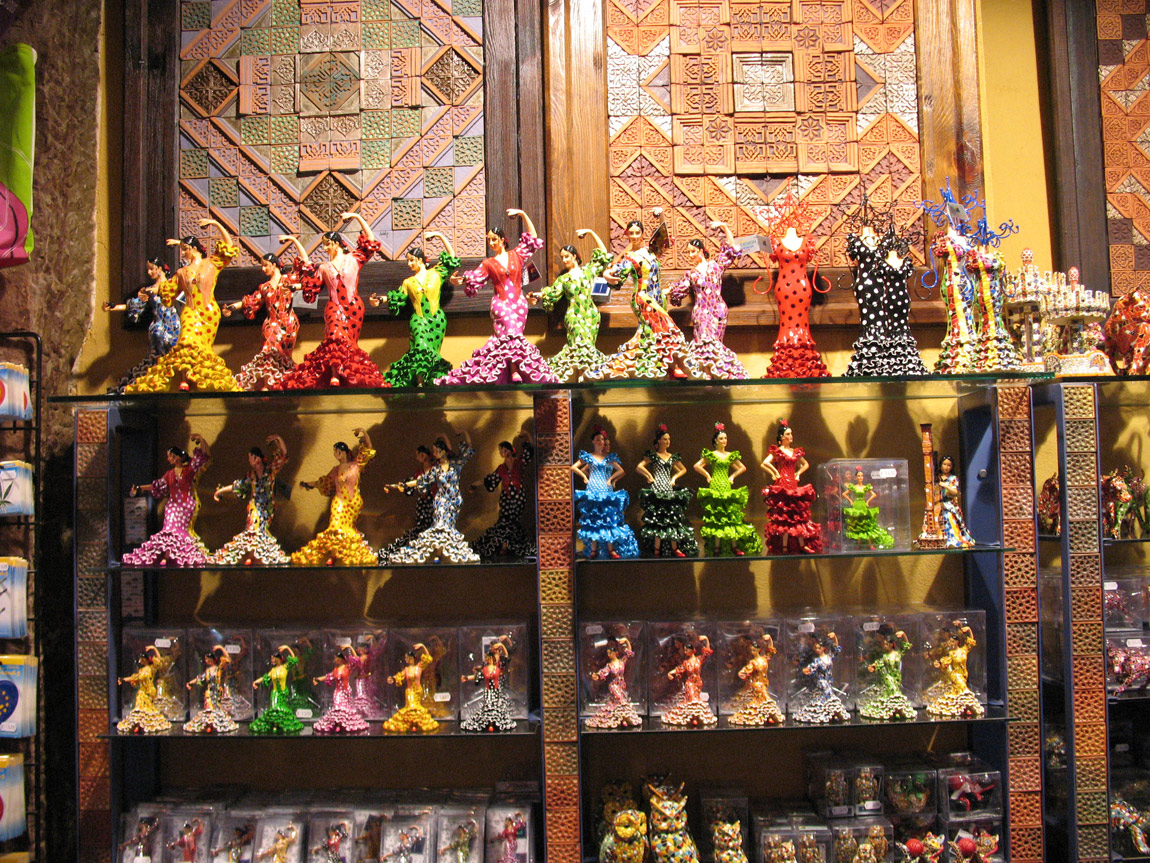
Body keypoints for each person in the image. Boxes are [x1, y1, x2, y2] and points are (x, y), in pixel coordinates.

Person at [437, 209, 558, 384]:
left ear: (502, 239)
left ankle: (506, 372)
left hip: (519, 303)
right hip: (500, 303)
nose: (491, 243)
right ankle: (514, 371)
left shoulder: (517, 255)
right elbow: (475, 277)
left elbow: (532, 237)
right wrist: (459, 280)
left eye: (494, 239)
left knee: (511, 339)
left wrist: (523, 214)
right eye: (489, 240)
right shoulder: (488, 263)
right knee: (511, 333)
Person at [126, 219, 240, 392]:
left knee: (203, 348)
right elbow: (167, 290)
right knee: (187, 340)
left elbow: (229, 246)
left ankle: (202, 378)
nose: (184, 253)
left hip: (209, 312)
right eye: (182, 250)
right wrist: (149, 292)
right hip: (190, 311)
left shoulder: (211, 263)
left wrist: (214, 223)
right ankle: (184, 378)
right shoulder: (181, 272)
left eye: (185, 249)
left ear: (193, 248)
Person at [584, 218, 702, 380]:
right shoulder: (629, 258)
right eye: (631, 233)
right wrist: (606, 274)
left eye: (637, 232)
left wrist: (661, 218)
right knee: (666, 327)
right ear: (627, 234)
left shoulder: (651, 252)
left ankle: (658, 365)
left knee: (648, 334)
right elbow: (615, 276)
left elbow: (665, 239)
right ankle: (672, 366)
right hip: (643, 298)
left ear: (642, 234)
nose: (634, 236)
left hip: (658, 299)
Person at [278, 213, 386, 388]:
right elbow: (311, 284)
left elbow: (370, 240)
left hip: (354, 308)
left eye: (327, 244)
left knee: (349, 343)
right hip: (334, 307)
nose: (325, 248)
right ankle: (334, 375)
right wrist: (293, 287)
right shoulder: (324, 268)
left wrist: (355, 216)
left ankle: (346, 373)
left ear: (336, 243)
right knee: (335, 335)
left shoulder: (354, 259)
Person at [369, 231, 459, 386]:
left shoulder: (436, 273)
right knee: (420, 345)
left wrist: (439, 235)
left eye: (411, 260)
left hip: (437, 320)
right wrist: (380, 299)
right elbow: (398, 296)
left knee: (432, 352)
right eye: (408, 261)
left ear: (420, 260)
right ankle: (419, 380)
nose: (409, 264)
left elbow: (451, 256)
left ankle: (430, 381)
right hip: (419, 320)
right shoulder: (408, 282)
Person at [667, 221, 748, 378]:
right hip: (701, 312)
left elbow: (731, 250)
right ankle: (704, 375)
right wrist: (667, 291)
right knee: (703, 342)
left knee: (716, 344)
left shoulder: (715, 266)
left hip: (718, 310)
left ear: (701, 251)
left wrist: (724, 227)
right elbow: (679, 291)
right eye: (688, 252)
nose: (691, 255)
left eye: (693, 251)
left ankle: (718, 373)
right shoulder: (691, 274)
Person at [528, 230, 612, 380]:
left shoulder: (588, 271)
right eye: (562, 257)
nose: (564, 260)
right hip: (574, 315)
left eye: (567, 256)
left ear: (574, 256)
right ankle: (579, 377)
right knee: (578, 345)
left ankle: (588, 377)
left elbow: (603, 254)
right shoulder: (564, 279)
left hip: (591, 314)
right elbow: (552, 293)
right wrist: (536, 295)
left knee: (589, 347)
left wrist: (590, 232)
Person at [388, 432, 480, 564]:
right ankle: (438, 552)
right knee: (440, 524)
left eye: (436, 451)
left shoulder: (455, 464)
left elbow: (468, 450)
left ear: (443, 451)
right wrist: (403, 484)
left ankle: (444, 551)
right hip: (441, 501)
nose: (434, 453)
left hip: (454, 501)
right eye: (434, 451)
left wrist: (464, 433)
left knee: (449, 526)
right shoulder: (436, 469)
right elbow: (421, 481)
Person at [122, 434, 212, 567]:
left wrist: (201, 440)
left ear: (178, 457)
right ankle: (166, 555)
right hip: (172, 505)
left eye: (171, 456)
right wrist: (141, 488)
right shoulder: (169, 474)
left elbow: (204, 457)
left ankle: (178, 555)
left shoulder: (189, 470)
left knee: (179, 531)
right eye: (169, 457)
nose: (169, 459)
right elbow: (157, 486)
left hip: (186, 505)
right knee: (169, 529)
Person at [292, 429, 376, 566]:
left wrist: (363, 432)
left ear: (343, 452)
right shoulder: (335, 470)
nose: (336, 454)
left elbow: (368, 448)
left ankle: (347, 553)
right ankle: (333, 554)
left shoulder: (355, 466)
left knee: (347, 528)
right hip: (339, 501)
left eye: (337, 451)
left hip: (352, 502)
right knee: (335, 524)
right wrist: (308, 484)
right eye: (335, 452)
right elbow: (324, 482)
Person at [104, 257, 182, 393]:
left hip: (173, 324)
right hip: (159, 326)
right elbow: (136, 304)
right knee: (158, 351)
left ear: (160, 269)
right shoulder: (148, 290)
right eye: (148, 269)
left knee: (175, 354)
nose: (149, 272)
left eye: (152, 269)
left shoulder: (172, 284)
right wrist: (114, 307)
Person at [224, 252, 300, 390]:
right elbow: (250, 301)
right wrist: (232, 307)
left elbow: (304, 264)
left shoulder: (289, 279)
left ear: (274, 265)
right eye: (262, 266)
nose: (263, 269)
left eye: (266, 265)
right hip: (271, 323)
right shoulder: (264, 287)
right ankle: (266, 384)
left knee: (284, 356)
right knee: (267, 349)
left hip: (289, 323)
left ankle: (282, 384)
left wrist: (293, 241)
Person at [210, 434, 290, 565]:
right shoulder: (251, 475)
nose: (249, 460)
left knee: (261, 531)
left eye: (250, 457)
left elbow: (283, 455)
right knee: (253, 526)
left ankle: (257, 555)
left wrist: (279, 439)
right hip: (254, 506)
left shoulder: (270, 471)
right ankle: (251, 555)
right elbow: (238, 485)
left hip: (267, 508)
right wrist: (220, 491)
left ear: (257, 458)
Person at [571, 425, 639, 559]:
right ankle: (593, 549)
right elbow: (574, 467)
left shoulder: (608, 458)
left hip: (605, 489)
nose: (600, 442)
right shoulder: (589, 457)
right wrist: (585, 477)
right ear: (593, 441)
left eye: (602, 439)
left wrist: (611, 479)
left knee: (608, 518)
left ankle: (611, 549)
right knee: (594, 519)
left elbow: (621, 470)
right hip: (593, 488)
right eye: (598, 439)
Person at [694, 422, 761, 556]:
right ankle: (717, 546)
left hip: (726, 485)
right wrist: (708, 475)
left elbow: (742, 467)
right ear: (715, 441)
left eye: (725, 438)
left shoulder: (730, 455)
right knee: (718, 517)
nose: (724, 441)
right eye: (721, 438)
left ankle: (733, 545)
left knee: (730, 516)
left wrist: (732, 476)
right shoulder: (712, 455)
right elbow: (697, 466)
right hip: (715, 486)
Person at [469, 432, 535, 560]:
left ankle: (508, 545)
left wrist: (527, 434)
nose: (501, 453)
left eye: (503, 450)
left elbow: (530, 449)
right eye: (500, 451)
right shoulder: (501, 468)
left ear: (509, 450)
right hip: (506, 498)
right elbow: (490, 479)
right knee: (504, 520)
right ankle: (504, 545)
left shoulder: (520, 462)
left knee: (512, 521)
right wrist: (474, 484)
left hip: (518, 497)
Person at [761, 419, 822, 554]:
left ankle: (801, 544)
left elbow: (805, 464)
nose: (791, 436)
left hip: (793, 485)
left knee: (796, 516)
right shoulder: (777, 451)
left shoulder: (795, 452)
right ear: (782, 437)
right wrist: (775, 472)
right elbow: (764, 463)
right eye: (788, 434)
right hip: (782, 484)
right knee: (784, 518)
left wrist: (798, 473)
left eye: (791, 434)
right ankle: (783, 546)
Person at [636, 424, 697, 557]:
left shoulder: (671, 456)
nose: (667, 441)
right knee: (658, 519)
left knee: (672, 518)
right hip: (657, 488)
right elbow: (639, 467)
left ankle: (674, 547)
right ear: (658, 441)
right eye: (665, 439)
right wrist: (649, 476)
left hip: (668, 488)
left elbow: (683, 469)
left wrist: (674, 478)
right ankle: (657, 548)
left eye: (668, 439)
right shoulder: (653, 455)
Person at [378, 444, 436, 564]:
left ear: (423, 455)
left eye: (418, 455)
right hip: (422, 504)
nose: (416, 458)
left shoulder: (435, 470)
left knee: (429, 527)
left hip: (434, 503)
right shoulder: (420, 472)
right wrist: (396, 486)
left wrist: (404, 485)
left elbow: (417, 482)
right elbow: (411, 483)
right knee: (420, 527)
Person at [460, 635, 517, 732]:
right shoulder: (486, 668)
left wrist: (503, 645)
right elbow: (479, 675)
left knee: (497, 705)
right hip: (489, 690)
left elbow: (506, 657)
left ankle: (494, 722)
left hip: (497, 688)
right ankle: (489, 722)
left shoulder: (499, 665)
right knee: (488, 705)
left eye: (494, 649)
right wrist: (467, 677)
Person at [382, 642, 439, 733]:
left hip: (418, 691)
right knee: (410, 707)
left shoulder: (419, 667)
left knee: (417, 708)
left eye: (408, 658)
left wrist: (423, 646)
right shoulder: (406, 670)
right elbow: (399, 676)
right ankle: (409, 723)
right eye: (406, 658)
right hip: (409, 691)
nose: (407, 660)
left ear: (412, 658)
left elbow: (428, 658)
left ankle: (417, 723)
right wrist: (392, 679)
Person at [116, 645, 175, 734]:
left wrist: (154, 649)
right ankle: (138, 724)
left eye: (142, 659)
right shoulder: (141, 671)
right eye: (140, 660)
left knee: (148, 708)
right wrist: (123, 679)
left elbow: (160, 662)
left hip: (149, 691)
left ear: (147, 659)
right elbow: (135, 677)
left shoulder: (151, 668)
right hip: (142, 691)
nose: (141, 661)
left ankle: (148, 724)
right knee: (139, 706)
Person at [586, 635, 641, 729]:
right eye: (608, 653)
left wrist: (626, 641)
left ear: (615, 653)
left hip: (621, 685)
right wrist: (597, 675)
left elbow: (629, 652)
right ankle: (623, 718)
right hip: (614, 686)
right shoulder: (610, 665)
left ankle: (622, 718)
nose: (609, 655)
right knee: (620, 699)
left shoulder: (621, 662)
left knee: (618, 702)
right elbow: (603, 671)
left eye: (610, 653)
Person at [662, 634, 717, 726]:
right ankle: (693, 718)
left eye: (686, 650)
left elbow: (707, 653)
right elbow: (679, 669)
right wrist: (670, 673)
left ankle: (695, 716)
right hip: (690, 683)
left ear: (692, 650)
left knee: (696, 699)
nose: (685, 652)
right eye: (684, 650)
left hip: (698, 683)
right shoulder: (686, 663)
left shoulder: (699, 660)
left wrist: (706, 639)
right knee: (692, 698)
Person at [728, 634, 784, 726]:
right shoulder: (752, 663)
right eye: (751, 651)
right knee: (765, 697)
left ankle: (766, 715)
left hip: (764, 682)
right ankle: (770, 713)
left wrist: (770, 639)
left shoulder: (764, 659)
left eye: (754, 650)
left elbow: (770, 651)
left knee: (760, 700)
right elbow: (743, 672)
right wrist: (745, 676)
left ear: (758, 650)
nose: (753, 652)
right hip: (756, 684)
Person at [312, 647, 370, 734]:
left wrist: (350, 647)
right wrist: (318, 679)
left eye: (336, 658)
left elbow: (356, 659)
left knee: (345, 708)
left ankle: (343, 724)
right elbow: (329, 676)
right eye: (334, 659)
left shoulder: (348, 667)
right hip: (338, 692)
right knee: (338, 705)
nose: (335, 660)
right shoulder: (335, 670)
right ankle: (338, 724)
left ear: (341, 659)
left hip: (346, 691)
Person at [249, 645, 304, 735]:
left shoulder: (285, 667)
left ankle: (281, 724)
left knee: (282, 709)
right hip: (275, 693)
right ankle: (274, 724)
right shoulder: (273, 670)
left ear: (278, 659)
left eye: (273, 658)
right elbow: (265, 677)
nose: (272, 660)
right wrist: (256, 682)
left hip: (283, 693)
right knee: (275, 707)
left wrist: (287, 648)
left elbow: (294, 659)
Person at [184, 646, 238, 733]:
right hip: (209, 692)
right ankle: (209, 725)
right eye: (205, 659)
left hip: (217, 692)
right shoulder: (207, 671)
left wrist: (221, 648)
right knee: (209, 708)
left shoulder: (218, 669)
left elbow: (227, 659)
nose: (206, 661)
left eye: (207, 659)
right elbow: (199, 678)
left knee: (216, 709)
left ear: (212, 659)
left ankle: (215, 724)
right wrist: (190, 683)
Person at [842, 466, 894, 550]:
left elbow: (874, 494)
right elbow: (844, 494)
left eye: (861, 476)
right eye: (859, 476)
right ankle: (859, 544)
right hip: (856, 505)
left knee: (866, 524)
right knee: (858, 524)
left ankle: (870, 544)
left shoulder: (865, 487)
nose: (860, 477)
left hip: (863, 505)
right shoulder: (854, 487)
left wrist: (868, 501)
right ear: (856, 477)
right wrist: (851, 501)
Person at [937, 455, 975, 547]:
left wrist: (946, 486)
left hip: (949, 504)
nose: (946, 467)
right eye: (944, 464)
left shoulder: (953, 478)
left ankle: (953, 539)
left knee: (950, 520)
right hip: (938, 504)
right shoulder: (937, 477)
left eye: (949, 465)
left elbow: (955, 492)